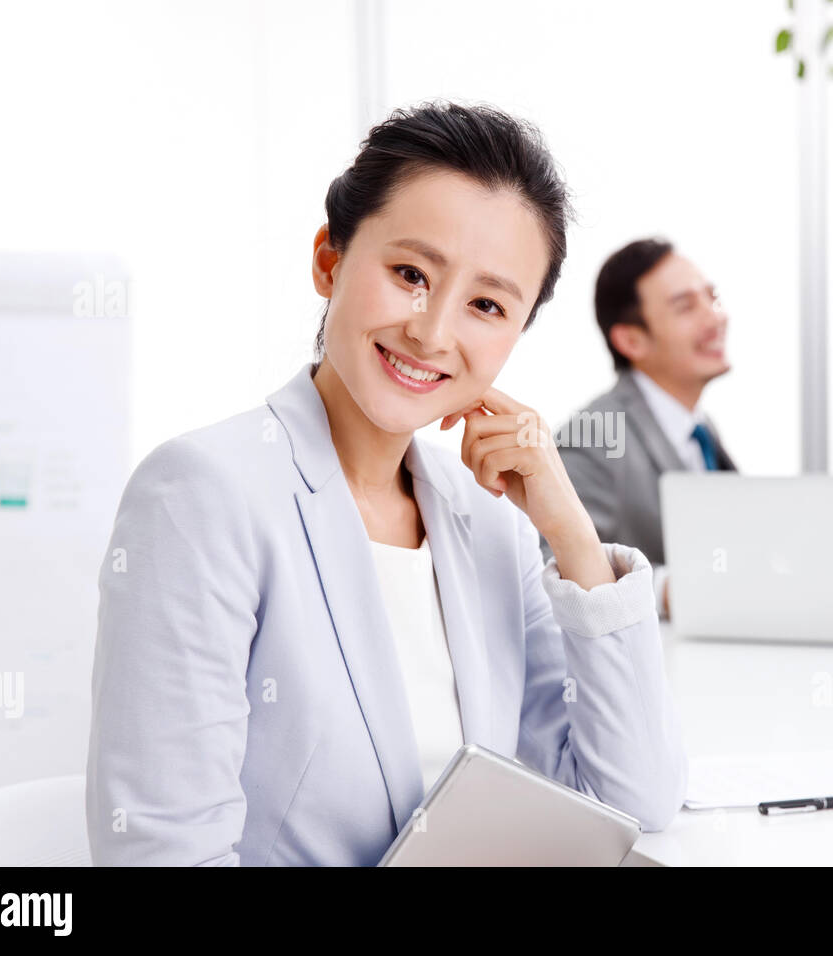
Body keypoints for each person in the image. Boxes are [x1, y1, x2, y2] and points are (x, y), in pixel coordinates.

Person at [86, 103, 688, 866]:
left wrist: (570, 532)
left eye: (487, 305)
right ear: (329, 261)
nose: (433, 331)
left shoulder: (487, 520)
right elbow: (162, 853)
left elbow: (630, 799)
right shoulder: (202, 495)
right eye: (410, 274)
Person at [548, 238, 735, 619]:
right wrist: (666, 590)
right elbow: (545, 564)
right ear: (631, 340)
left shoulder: (701, 428)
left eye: (712, 298)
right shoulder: (596, 434)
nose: (716, 318)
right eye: (686, 307)